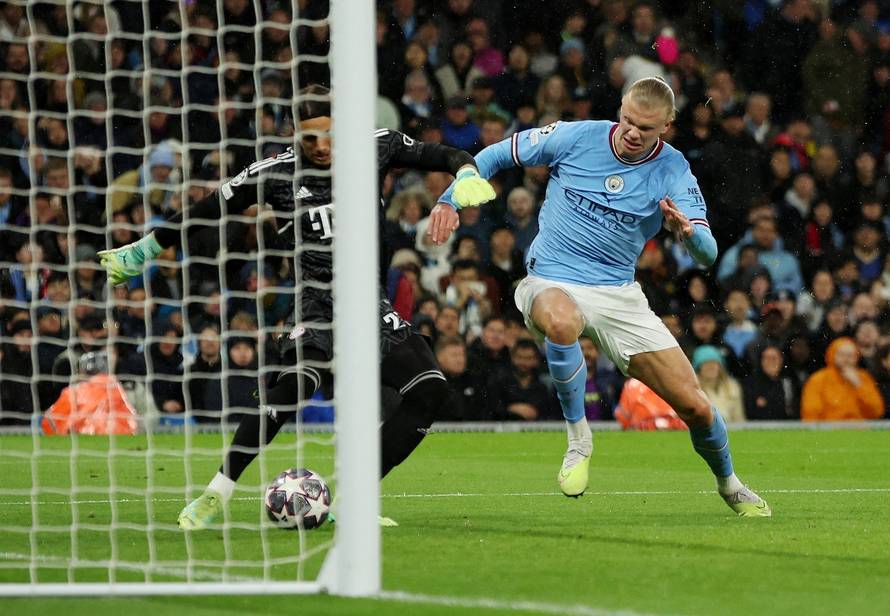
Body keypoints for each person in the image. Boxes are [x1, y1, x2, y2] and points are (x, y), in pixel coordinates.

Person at [98, 85, 496, 529]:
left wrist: (464, 175)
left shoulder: (375, 146)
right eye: (310, 138)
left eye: (329, 135)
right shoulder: (275, 173)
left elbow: (445, 155)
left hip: (369, 306)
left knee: (430, 389)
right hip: (316, 304)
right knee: (291, 389)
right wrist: (144, 250)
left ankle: (357, 499)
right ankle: (215, 494)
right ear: (294, 134)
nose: (321, 146)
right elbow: (205, 210)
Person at [429, 77, 770, 516]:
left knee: (696, 407)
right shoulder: (576, 137)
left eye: (645, 128)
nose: (632, 132)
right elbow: (497, 154)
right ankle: (579, 439)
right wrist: (449, 200)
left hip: (619, 295)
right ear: (620, 109)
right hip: (551, 279)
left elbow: (708, 254)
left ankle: (730, 485)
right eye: (627, 120)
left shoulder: (673, 169)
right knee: (561, 321)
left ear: (665, 127)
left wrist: (687, 233)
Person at [800, 337, 884, 421]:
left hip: (858, 428)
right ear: (832, 354)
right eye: (842, 354)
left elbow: (877, 411)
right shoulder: (818, 379)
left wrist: (858, 384)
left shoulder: (863, 377)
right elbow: (810, 413)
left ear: (856, 357)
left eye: (850, 355)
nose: (846, 359)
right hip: (828, 428)